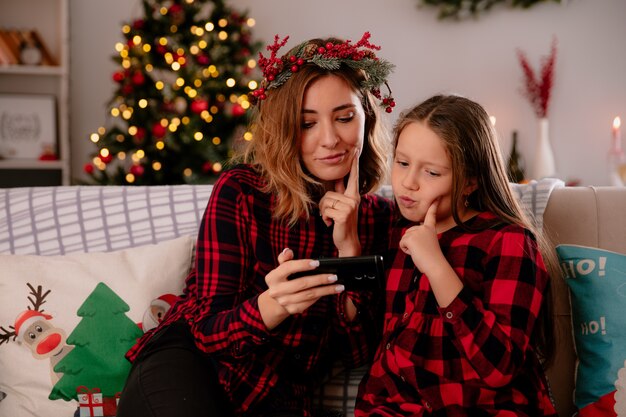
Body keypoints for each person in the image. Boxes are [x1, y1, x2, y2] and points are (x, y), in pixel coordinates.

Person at [116, 32, 396, 417]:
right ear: (285, 127)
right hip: (189, 367)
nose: (329, 139)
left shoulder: (383, 217)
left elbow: (359, 352)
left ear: (366, 117)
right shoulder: (244, 192)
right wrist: (270, 306)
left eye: (344, 118)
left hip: (270, 397)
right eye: (307, 123)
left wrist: (350, 248)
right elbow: (207, 330)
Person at [355, 94, 558, 416]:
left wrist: (436, 266)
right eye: (403, 163)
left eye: (432, 173)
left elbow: (498, 368)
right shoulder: (394, 233)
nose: (408, 183)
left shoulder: (509, 242)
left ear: (471, 182)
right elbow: (367, 347)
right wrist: (346, 246)